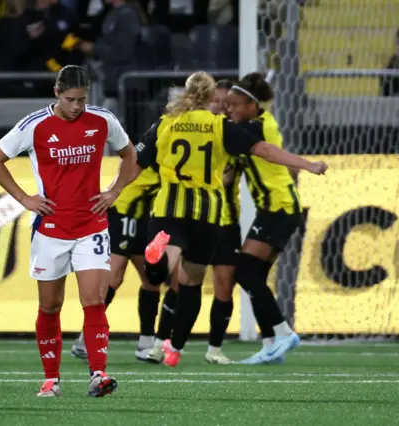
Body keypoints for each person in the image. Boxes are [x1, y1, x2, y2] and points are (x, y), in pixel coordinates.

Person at [136, 71, 327, 368]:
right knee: (221, 277)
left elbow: (141, 162)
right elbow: (250, 155)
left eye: (232, 104)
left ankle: (257, 339)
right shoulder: (224, 128)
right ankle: (269, 338)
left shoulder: (187, 123)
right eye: (222, 102)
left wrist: (112, 191)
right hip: (219, 215)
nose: (228, 109)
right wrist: (306, 165)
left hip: (221, 210)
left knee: (220, 277)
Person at [0, 65, 136, 397]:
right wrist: (25, 198)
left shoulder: (103, 120)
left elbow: (130, 156)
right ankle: (51, 378)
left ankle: (98, 374)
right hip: (51, 228)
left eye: (82, 100)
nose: (77, 107)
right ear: (57, 93)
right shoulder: (34, 126)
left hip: (92, 225)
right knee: (50, 306)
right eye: (71, 100)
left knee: (94, 299)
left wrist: (113, 191)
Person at [70, 115, 177, 364]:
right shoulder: (163, 135)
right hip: (124, 209)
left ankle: (146, 342)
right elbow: (133, 161)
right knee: (114, 275)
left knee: (151, 278)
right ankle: (86, 338)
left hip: (145, 217)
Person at [225, 72, 308, 364]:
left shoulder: (256, 126)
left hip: (278, 208)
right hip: (275, 208)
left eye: (235, 105)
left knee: (245, 272)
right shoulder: (256, 124)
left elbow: (259, 148)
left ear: (250, 104)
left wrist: (306, 165)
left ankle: (283, 333)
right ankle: (271, 345)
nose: (230, 111)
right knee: (253, 275)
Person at [206, 78, 239, 365]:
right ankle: (162, 343)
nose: (221, 107)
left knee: (225, 286)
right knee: (180, 285)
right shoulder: (193, 130)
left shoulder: (236, 135)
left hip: (225, 220)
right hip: (192, 216)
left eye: (227, 102)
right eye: (217, 101)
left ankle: (214, 348)